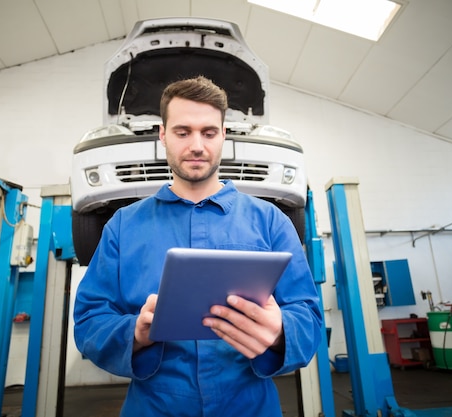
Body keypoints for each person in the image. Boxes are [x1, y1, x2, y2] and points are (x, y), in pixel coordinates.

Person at [73, 76, 322, 417]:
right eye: (182, 131)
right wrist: (135, 332)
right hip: (154, 407)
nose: (196, 145)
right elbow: (89, 321)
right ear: (162, 135)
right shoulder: (123, 227)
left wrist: (281, 331)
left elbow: (308, 317)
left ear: (223, 135)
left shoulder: (271, 221)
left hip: (250, 407)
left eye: (208, 132)